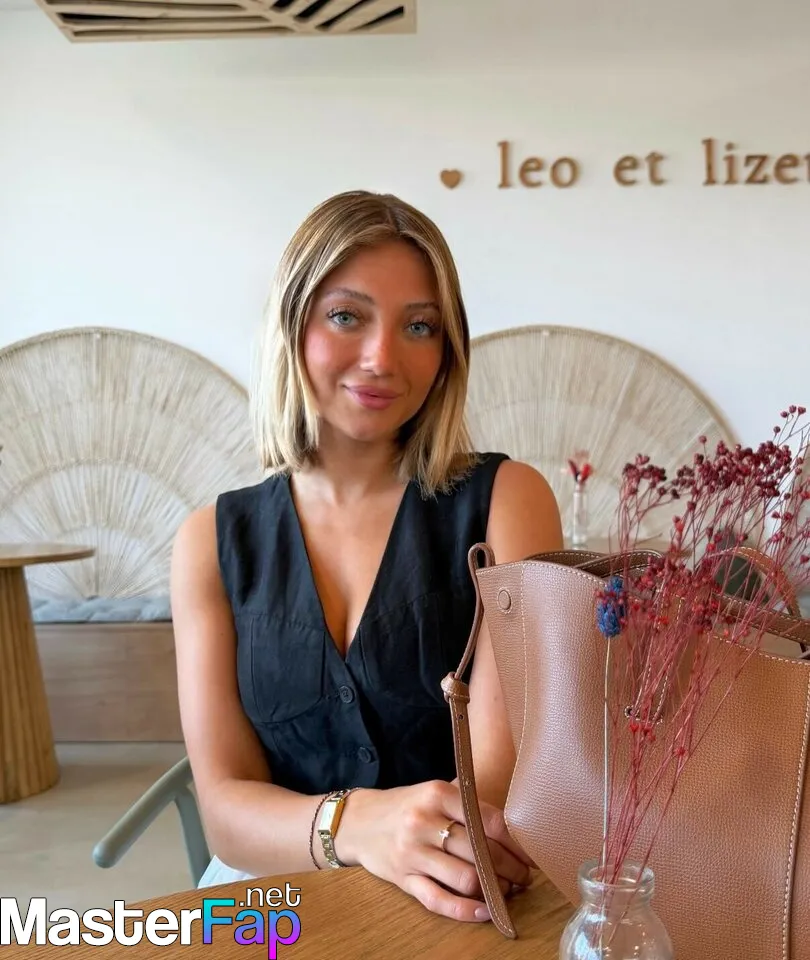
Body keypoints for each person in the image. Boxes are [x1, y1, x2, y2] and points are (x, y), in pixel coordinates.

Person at [170, 189, 563, 924]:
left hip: (457, 902)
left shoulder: (508, 502)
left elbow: (495, 797)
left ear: (447, 351)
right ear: (292, 325)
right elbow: (225, 814)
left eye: (419, 326)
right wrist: (357, 826)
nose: (382, 357)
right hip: (269, 898)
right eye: (347, 316)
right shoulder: (210, 542)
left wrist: (357, 829)